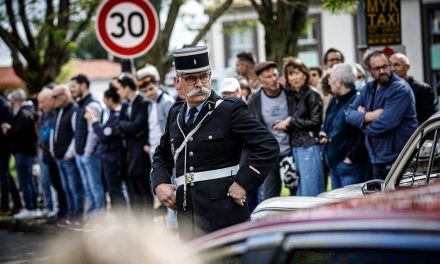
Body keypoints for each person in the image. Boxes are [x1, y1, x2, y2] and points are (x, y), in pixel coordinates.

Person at [151, 46, 279, 239]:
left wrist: (242, 182)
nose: (200, 84)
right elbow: (161, 155)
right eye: (192, 79)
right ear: (178, 82)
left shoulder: (229, 110)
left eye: (204, 77)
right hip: (188, 216)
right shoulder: (175, 114)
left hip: (224, 215)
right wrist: (159, 183)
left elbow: (268, 145)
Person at [346, 50, 418, 180]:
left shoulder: (400, 89)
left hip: (400, 159)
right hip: (376, 158)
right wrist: (368, 116)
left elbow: (386, 123)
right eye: (377, 68)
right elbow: (349, 113)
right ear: (369, 70)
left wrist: (362, 125)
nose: (382, 71)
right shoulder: (368, 88)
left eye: (385, 66)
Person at [274, 57, 325, 196]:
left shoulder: (312, 94)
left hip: (308, 147)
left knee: (310, 194)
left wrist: (290, 121)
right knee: (301, 194)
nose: (294, 77)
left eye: (297, 73)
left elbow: (316, 123)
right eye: (291, 74)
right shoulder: (293, 95)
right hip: (296, 147)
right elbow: (299, 123)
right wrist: (284, 125)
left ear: (304, 73)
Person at [248, 61, 292, 200]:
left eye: (275, 75)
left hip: (292, 150)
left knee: (297, 193)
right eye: (268, 77)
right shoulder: (254, 100)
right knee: (269, 197)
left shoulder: (290, 94)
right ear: (260, 80)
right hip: (270, 154)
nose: (273, 79)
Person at [319, 64, 364, 189]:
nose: (329, 82)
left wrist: (351, 157)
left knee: (350, 207)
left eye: (331, 78)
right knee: (338, 207)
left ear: (339, 82)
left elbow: (362, 132)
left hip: (349, 166)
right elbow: (327, 123)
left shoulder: (358, 100)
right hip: (334, 163)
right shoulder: (334, 100)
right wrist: (323, 132)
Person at [113, 73, 152, 211]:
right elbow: (117, 128)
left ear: (127, 87)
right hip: (129, 152)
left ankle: (148, 223)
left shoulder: (143, 102)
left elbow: (138, 125)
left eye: (119, 89)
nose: (117, 92)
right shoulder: (125, 105)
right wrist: (130, 128)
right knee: (133, 189)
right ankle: (138, 225)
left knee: (143, 189)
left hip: (141, 151)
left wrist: (128, 127)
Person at [85, 83, 127, 209]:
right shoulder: (114, 114)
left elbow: (104, 135)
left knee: (115, 191)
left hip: (112, 159)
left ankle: (122, 220)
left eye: (105, 99)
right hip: (109, 158)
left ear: (109, 99)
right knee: (112, 190)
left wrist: (93, 121)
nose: (104, 102)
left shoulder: (116, 115)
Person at [1, 89, 40, 219]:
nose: (10, 105)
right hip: (24, 152)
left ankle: (30, 207)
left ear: (17, 101)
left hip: (23, 152)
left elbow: (20, 133)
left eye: (12, 102)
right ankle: (33, 207)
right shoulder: (26, 112)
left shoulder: (24, 113)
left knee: (26, 181)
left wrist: (8, 130)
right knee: (28, 180)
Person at [70, 74, 104, 218]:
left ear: (83, 85)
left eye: (74, 86)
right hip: (81, 153)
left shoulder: (92, 104)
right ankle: (91, 216)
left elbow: (93, 133)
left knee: (95, 186)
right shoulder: (80, 104)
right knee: (87, 187)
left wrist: (86, 153)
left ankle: (98, 218)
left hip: (90, 154)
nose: (71, 89)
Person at [51, 85, 84, 226]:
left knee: (74, 188)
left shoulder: (74, 109)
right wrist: (53, 151)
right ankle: (70, 215)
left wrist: (69, 153)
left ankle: (77, 216)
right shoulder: (59, 110)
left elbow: (76, 134)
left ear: (65, 95)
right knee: (66, 188)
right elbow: (55, 132)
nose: (54, 100)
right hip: (59, 157)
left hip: (68, 158)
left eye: (56, 96)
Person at [37, 87, 67, 219]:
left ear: (50, 100)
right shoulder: (45, 114)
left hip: (58, 154)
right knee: (52, 182)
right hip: (47, 154)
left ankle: (64, 210)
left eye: (42, 101)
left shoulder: (57, 112)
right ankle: (59, 209)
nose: (40, 105)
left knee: (62, 184)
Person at [137, 64, 176, 158]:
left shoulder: (167, 102)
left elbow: (173, 129)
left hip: (166, 153)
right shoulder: (150, 104)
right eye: (144, 91)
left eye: (151, 89)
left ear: (157, 84)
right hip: (154, 151)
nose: (148, 93)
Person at [390, 52, 438, 124]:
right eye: (390, 65)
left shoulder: (423, 89)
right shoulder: (385, 88)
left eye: (396, 65)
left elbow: (430, 119)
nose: (392, 69)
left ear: (407, 66)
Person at [0, 93, 23, 216]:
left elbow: (8, 127)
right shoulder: (5, 105)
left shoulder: (4, 106)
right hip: (4, 145)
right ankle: (17, 203)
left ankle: (4, 206)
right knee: (6, 175)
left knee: (3, 175)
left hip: (4, 147)